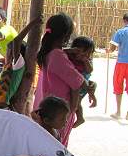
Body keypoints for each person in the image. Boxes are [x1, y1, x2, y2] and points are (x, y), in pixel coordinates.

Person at [34, 13, 90, 147]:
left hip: (47, 108)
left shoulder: (46, 52)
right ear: (66, 35)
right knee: (57, 148)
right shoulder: (58, 56)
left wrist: (68, 51)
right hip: (59, 112)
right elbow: (80, 83)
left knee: (45, 144)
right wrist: (73, 109)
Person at [0, 16, 42, 109]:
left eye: (8, 51)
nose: (6, 53)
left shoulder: (18, 65)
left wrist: (33, 23)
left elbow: (17, 41)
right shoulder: (9, 64)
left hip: (1, 108)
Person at [65, 36, 98, 128]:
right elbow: (60, 51)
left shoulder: (87, 60)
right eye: (83, 52)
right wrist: (70, 50)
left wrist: (85, 61)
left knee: (77, 102)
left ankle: (80, 117)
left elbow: (89, 71)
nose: (86, 55)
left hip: (82, 85)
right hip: (77, 83)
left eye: (89, 53)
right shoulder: (70, 56)